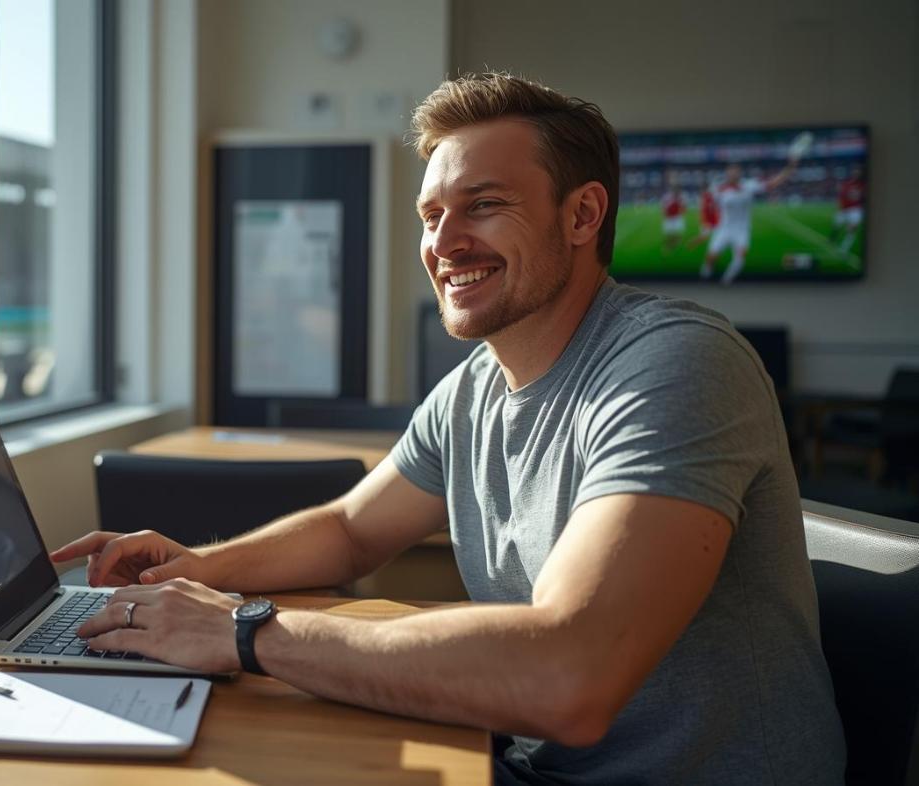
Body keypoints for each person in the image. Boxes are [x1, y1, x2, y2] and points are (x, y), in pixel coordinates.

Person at [51, 73, 845, 784]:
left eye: (484, 205)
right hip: (525, 758)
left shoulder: (677, 363)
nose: (443, 242)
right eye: (431, 214)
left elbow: (567, 678)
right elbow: (350, 530)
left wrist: (239, 630)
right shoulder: (471, 388)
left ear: (582, 214)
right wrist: (193, 574)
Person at [698, 156, 800, 284]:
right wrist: (706, 226)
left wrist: (789, 169)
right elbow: (707, 206)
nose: (733, 174)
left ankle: (725, 281)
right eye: (730, 171)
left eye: (736, 171)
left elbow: (773, 183)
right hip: (724, 228)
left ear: (740, 173)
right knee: (711, 257)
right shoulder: (718, 188)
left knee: (740, 258)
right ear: (726, 173)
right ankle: (704, 276)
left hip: (742, 229)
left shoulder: (749, 185)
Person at [832, 166, 865, 254]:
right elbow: (841, 196)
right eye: (855, 172)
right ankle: (832, 239)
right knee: (837, 225)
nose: (856, 174)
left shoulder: (863, 185)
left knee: (851, 229)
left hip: (855, 209)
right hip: (844, 209)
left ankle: (844, 248)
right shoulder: (847, 184)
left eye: (858, 172)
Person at [659, 175, 686, 253]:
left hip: (677, 217)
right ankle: (670, 246)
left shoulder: (681, 197)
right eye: (674, 189)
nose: (676, 191)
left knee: (678, 234)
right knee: (668, 234)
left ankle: (671, 246)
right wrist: (664, 213)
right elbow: (663, 206)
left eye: (677, 190)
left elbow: (684, 208)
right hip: (669, 218)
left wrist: (681, 211)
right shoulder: (667, 197)